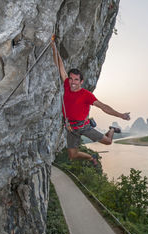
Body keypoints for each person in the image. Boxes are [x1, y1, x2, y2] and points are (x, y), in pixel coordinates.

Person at [51, 36, 130, 165]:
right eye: (71, 79)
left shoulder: (86, 95)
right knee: (72, 155)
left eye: (76, 80)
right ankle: (91, 157)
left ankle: (112, 129)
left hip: (84, 126)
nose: (73, 82)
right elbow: (60, 66)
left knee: (108, 142)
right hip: (71, 127)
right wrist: (53, 46)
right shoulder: (66, 84)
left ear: (81, 82)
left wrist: (120, 115)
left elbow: (103, 107)